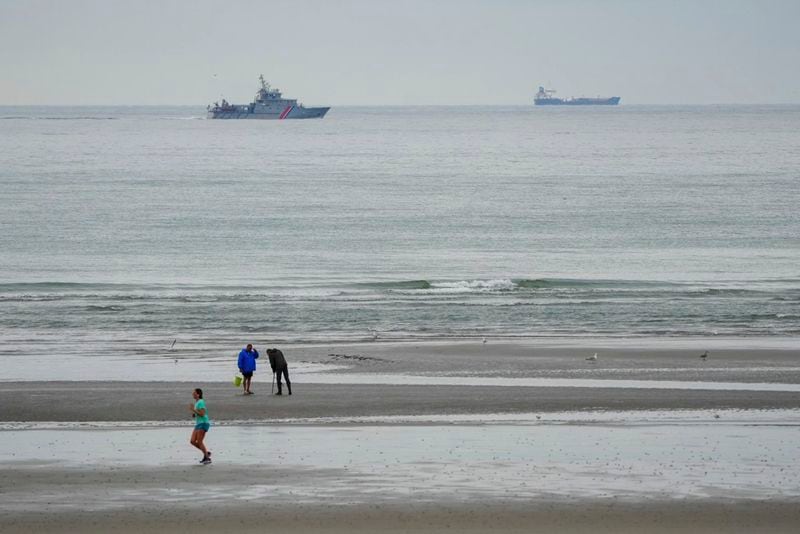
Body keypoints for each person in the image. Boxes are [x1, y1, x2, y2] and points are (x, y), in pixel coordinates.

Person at [189, 388, 211, 464]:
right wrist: (194, 414)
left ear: (198, 394)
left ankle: (207, 458)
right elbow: (197, 414)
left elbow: (202, 414)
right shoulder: (197, 403)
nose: (193, 394)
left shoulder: (201, 402)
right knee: (192, 441)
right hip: (198, 423)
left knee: (199, 441)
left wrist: (193, 410)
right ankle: (206, 453)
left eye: (194, 393)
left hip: (203, 423)